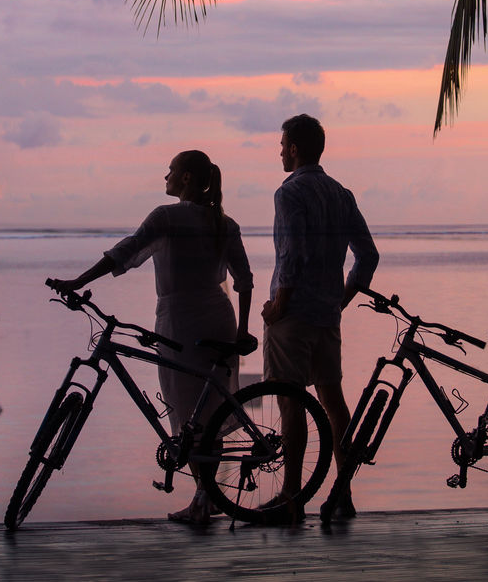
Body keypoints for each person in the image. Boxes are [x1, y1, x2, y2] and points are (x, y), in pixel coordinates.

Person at [47, 149, 255, 525]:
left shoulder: (167, 217)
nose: (166, 177)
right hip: (218, 318)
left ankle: (203, 500)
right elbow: (244, 281)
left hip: (180, 321)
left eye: (171, 171)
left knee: (187, 412)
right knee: (206, 413)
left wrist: (79, 281)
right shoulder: (226, 223)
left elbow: (125, 251)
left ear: (187, 178)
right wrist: (241, 330)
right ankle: (204, 499)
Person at [262, 114, 378, 522]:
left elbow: (292, 253)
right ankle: (343, 492)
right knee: (333, 404)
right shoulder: (341, 194)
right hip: (327, 315)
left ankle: (290, 497)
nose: (279, 151)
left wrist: (279, 303)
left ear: (294, 149)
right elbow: (368, 256)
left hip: (293, 315)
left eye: (282, 145)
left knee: (291, 404)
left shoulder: (289, 192)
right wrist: (341, 300)